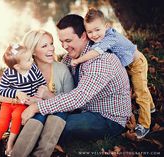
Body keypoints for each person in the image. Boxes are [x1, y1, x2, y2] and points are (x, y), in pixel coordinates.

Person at [17, 14, 132, 154]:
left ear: (83, 36)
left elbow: (78, 97)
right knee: (47, 119)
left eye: (68, 40)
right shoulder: (70, 57)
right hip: (84, 109)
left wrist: (37, 107)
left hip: (107, 118)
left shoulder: (101, 60)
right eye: (61, 41)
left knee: (56, 126)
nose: (64, 46)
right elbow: (64, 88)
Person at [70, 8, 155, 139]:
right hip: (127, 63)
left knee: (140, 92)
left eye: (97, 30)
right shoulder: (101, 37)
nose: (94, 35)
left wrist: (78, 60)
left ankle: (145, 124)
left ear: (106, 26)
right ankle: (151, 108)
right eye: (90, 32)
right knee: (141, 88)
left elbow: (96, 52)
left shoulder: (110, 37)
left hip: (137, 63)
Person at [11, 30, 74, 157]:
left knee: (58, 112)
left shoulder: (62, 70)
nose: (51, 49)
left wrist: (46, 97)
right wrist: (23, 98)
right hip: (28, 118)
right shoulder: (24, 70)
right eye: (44, 46)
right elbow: (3, 93)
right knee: (39, 116)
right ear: (33, 51)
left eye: (51, 44)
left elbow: (71, 102)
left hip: (57, 116)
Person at [0, 43, 47, 157]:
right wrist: (17, 93)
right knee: (2, 125)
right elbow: (2, 90)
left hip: (22, 104)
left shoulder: (33, 69)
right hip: (8, 102)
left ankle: (10, 143)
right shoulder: (9, 73)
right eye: (28, 60)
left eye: (31, 58)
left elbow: (42, 82)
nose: (32, 61)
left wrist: (38, 95)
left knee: (17, 119)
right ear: (17, 66)